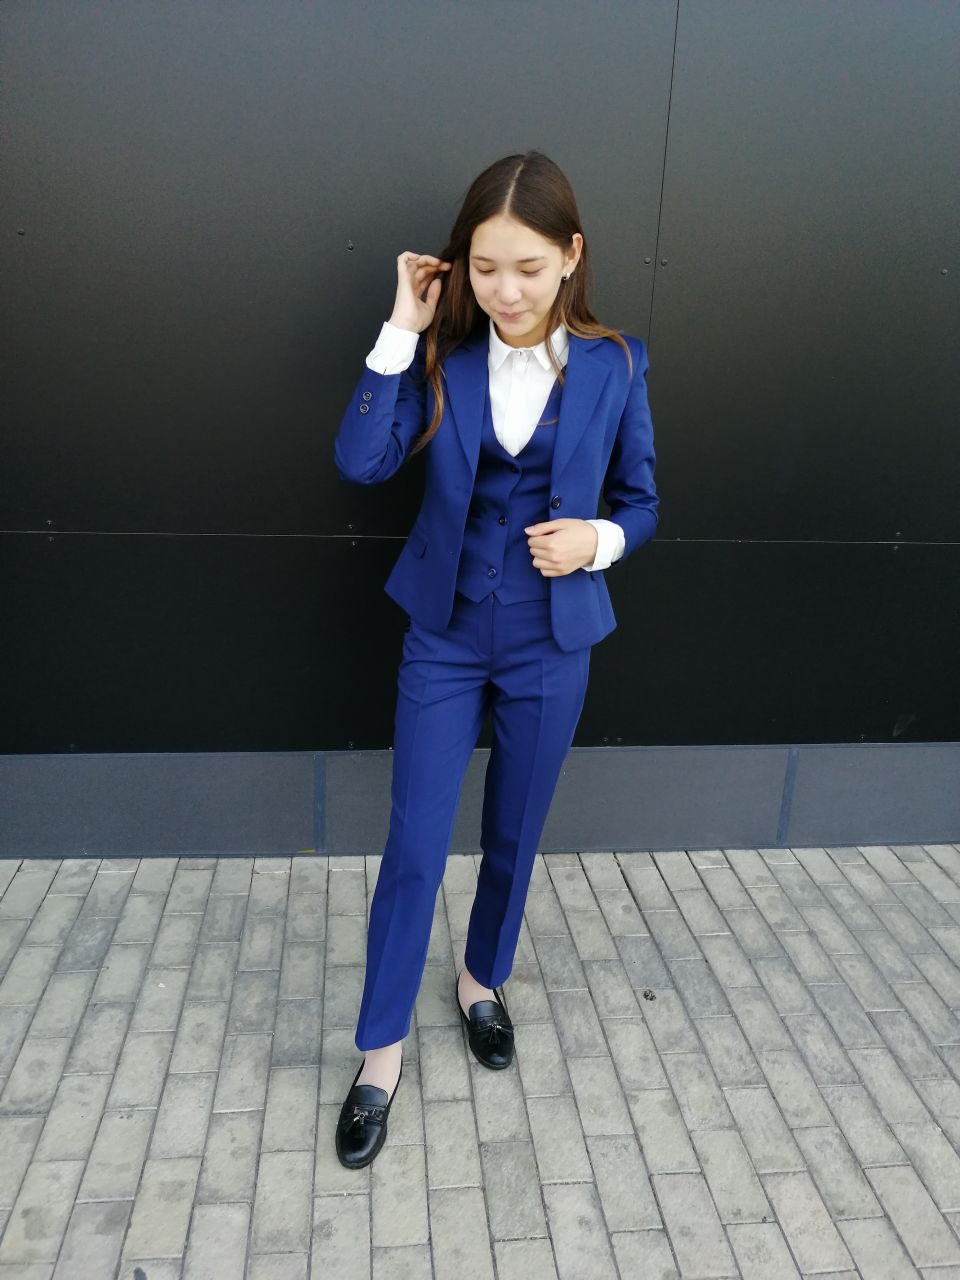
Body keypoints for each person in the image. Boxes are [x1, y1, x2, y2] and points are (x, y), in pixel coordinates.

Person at [332, 150, 660, 1168]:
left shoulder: (617, 365)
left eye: (526, 267)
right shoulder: (442, 358)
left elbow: (643, 502)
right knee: (415, 845)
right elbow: (360, 459)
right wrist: (402, 327)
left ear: (571, 256)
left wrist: (597, 541)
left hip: (551, 640)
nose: (505, 290)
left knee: (514, 835)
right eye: (483, 268)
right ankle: (380, 1050)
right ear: (458, 266)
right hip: (444, 635)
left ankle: (480, 981)